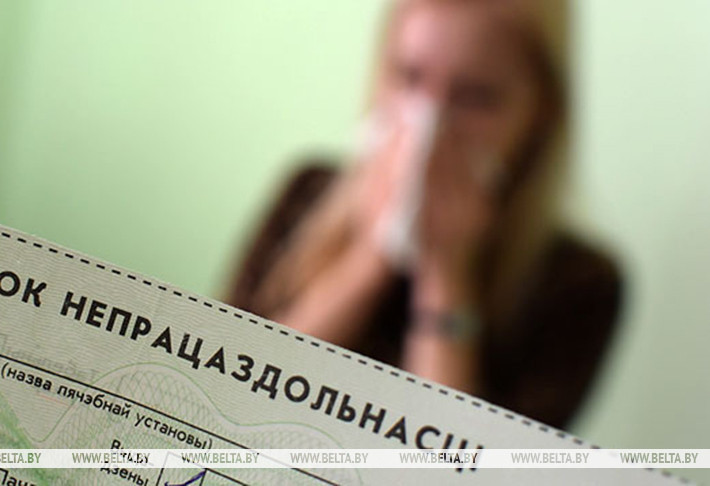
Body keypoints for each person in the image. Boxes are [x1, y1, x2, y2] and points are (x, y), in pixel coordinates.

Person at [226, 0, 622, 430]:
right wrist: (372, 256)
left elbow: (456, 459)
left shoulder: (580, 283)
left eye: (475, 96)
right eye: (409, 77)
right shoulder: (307, 193)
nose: (429, 124)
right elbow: (224, 396)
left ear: (540, 111)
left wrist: (445, 273)